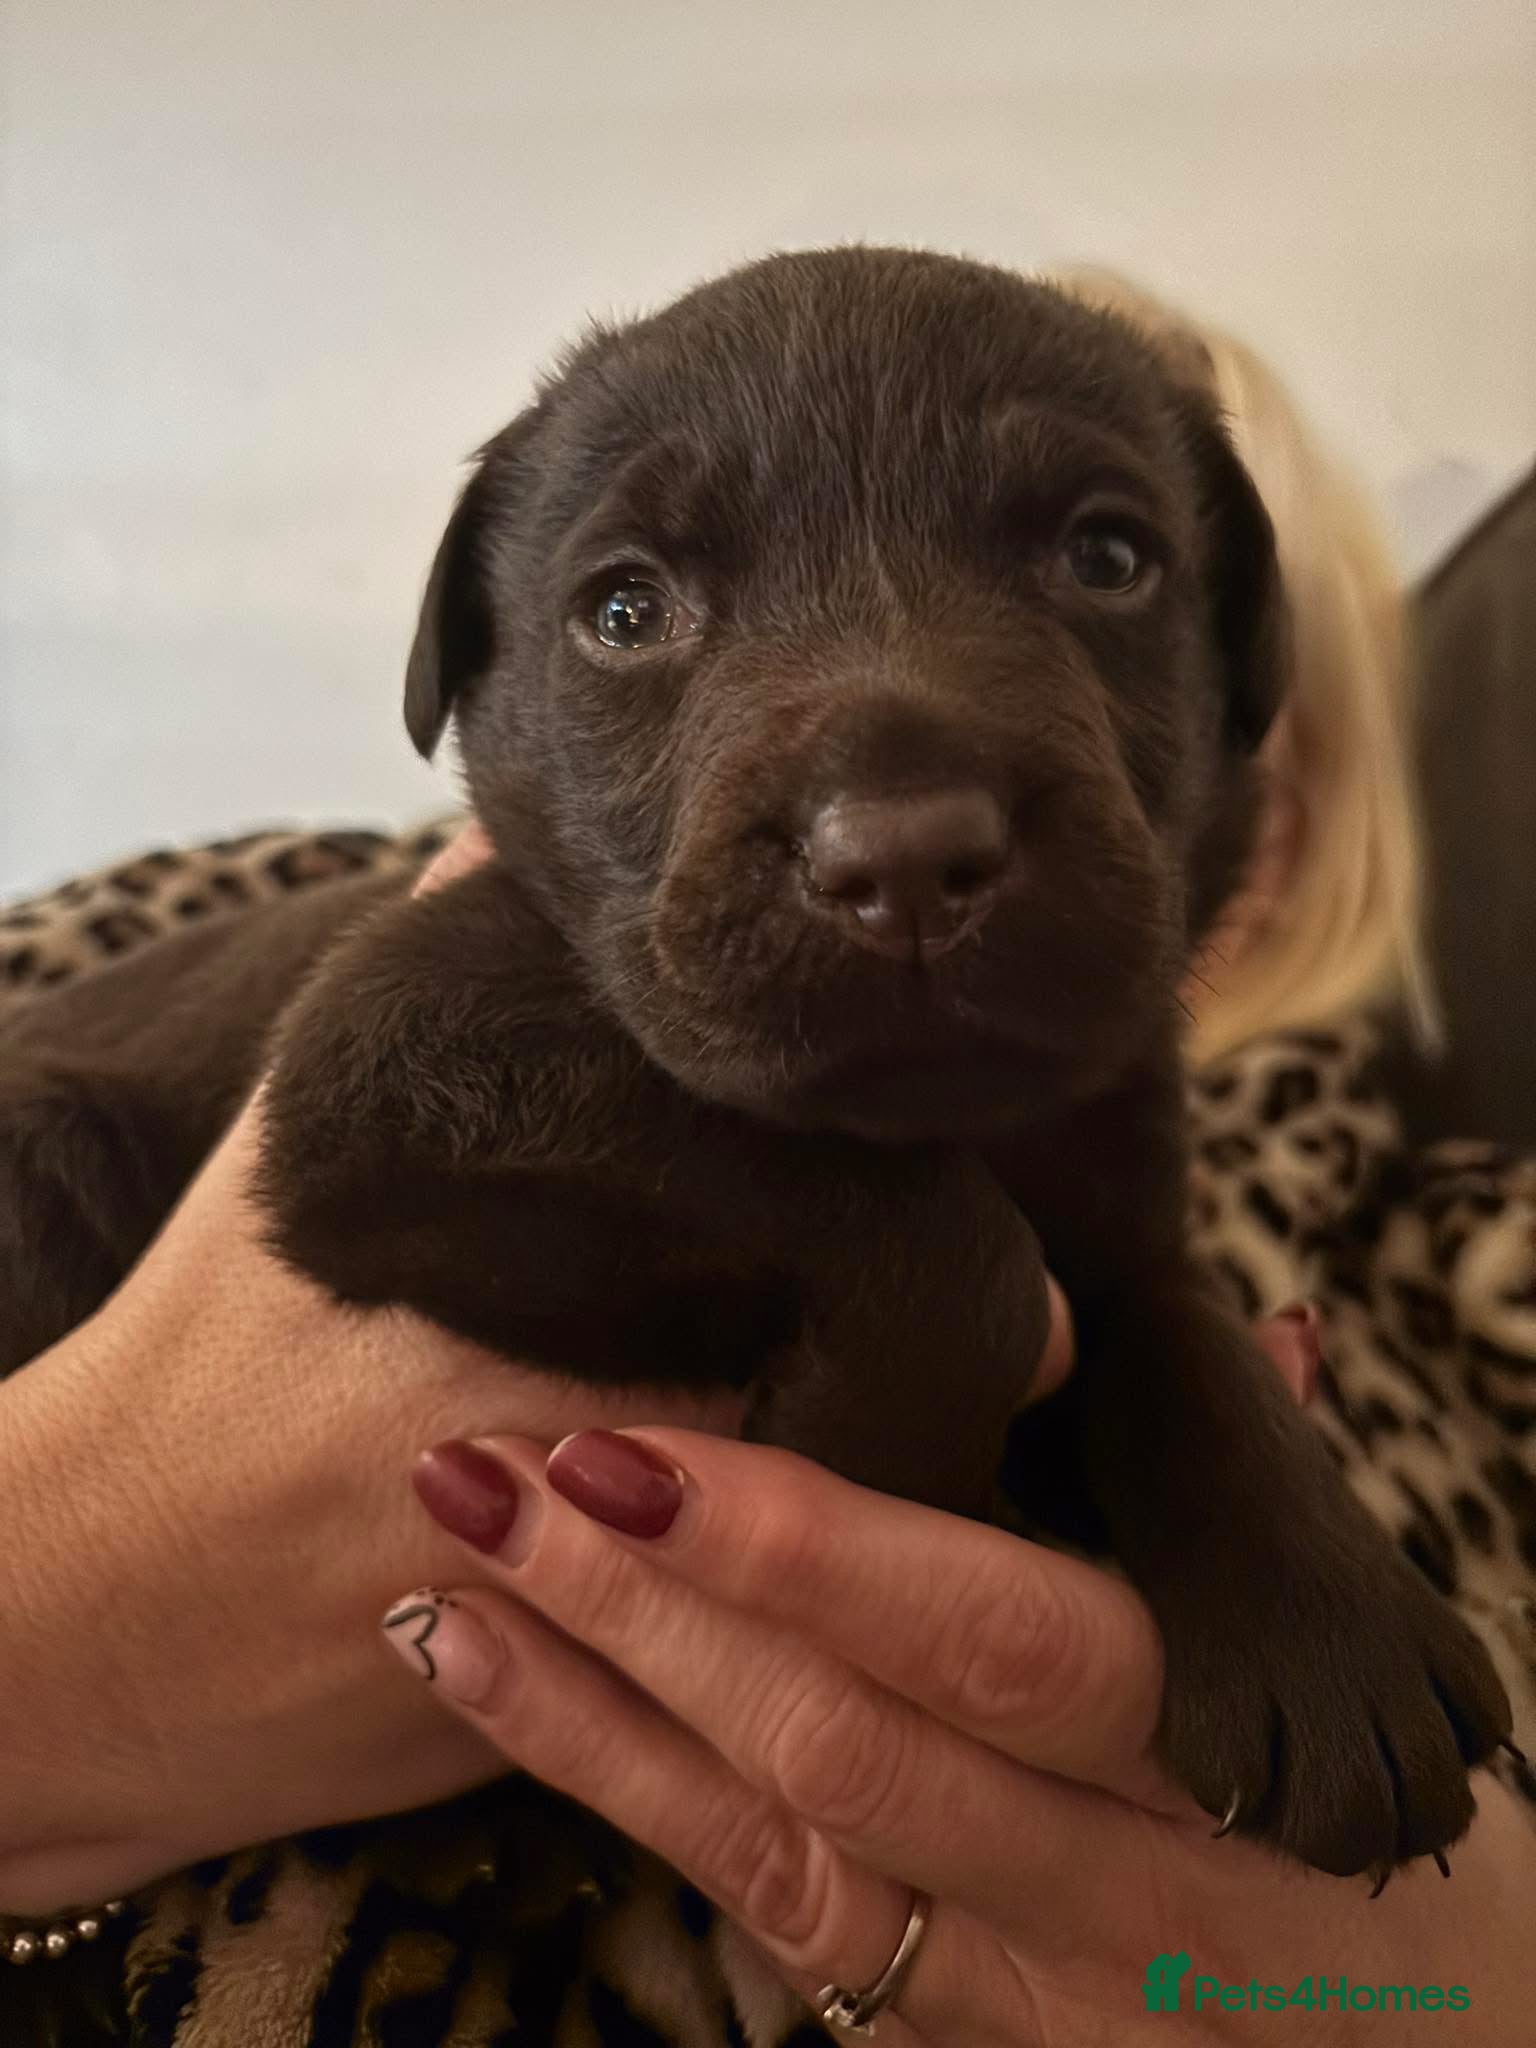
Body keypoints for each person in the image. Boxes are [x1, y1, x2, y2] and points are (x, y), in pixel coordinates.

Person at [1, 280, 1530, 2044]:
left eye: (1099, 562)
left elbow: (1117, 1302)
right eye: (632, 605)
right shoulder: (492, 935)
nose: (892, 816)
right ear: (478, 693)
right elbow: (353, 1138)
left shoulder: (1440, 1250)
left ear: (1259, 687)